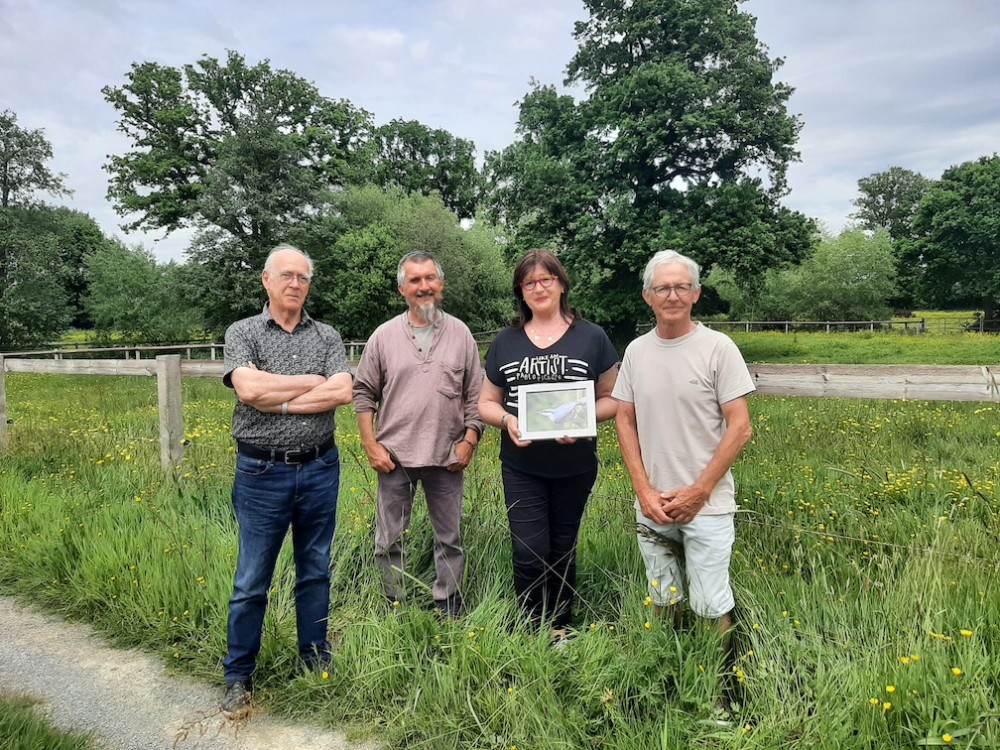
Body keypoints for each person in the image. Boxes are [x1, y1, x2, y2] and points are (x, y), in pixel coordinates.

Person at [219, 244, 353, 719]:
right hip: (261, 472)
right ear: (267, 280)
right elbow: (248, 388)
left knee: (315, 569)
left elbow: (343, 389)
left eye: (303, 277)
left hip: (320, 467)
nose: (296, 284)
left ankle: (315, 659)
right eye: (287, 276)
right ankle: (238, 674)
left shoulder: (328, 335)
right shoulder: (243, 332)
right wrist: (309, 381)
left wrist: (279, 395)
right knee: (252, 578)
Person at [613, 249, 754, 638]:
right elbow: (625, 419)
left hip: (707, 505)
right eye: (663, 288)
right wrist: (643, 489)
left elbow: (740, 427)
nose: (672, 296)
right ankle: (661, 673)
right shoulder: (636, 352)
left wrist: (699, 491)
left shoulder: (718, 348)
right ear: (648, 296)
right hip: (653, 503)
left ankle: (717, 688)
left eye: (681, 287)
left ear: (696, 294)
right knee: (662, 598)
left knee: (711, 605)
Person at [478, 249, 618, 636]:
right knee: (528, 550)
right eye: (529, 282)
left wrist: (582, 419)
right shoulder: (506, 342)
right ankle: (529, 625)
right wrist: (507, 419)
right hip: (522, 465)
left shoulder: (592, 337)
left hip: (575, 464)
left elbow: (613, 399)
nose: (538, 288)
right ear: (520, 291)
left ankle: (559, 626)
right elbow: (486, 403)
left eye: (546, 279)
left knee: (562, 546)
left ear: (561, 283)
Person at [353, 252, 484, 616]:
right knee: (389, 540)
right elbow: (363, 392)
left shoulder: (460, 334)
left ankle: (449, 608)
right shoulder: (383, 337)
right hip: (393, 458)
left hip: (447, 458)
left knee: (450, 540)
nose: (423, 286)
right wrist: (370, 445)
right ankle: (394, 607)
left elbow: (477, 393)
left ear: (440, 285)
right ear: (402, 289)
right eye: (415, 280)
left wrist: (470, 439)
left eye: (430, 278)